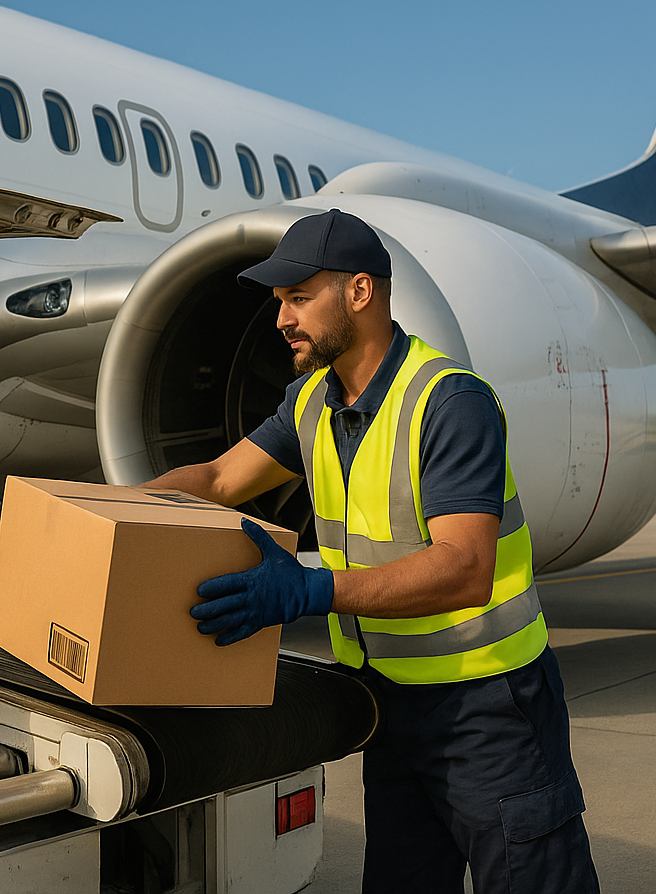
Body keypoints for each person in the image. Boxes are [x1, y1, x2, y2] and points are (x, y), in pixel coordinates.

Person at [144, 209, 599, 893]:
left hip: (490, 711)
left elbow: (466, 568)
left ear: (360, 292)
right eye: (278, 303)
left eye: (299, 298)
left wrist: (309, 590)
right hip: (391, 709)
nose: (281, 320)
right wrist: (107, 512)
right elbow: (216, 479)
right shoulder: (311, 404)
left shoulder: (449, 402)